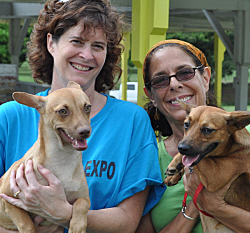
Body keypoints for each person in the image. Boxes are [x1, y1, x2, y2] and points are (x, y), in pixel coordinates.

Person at [0, 0, 166, 232]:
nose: (86, 55)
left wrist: (63, 213)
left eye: (98, 46)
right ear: (51, 43)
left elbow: (129, 222)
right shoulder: (8, 117)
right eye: (77, 41)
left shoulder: (132, 121)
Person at [136, 39, 250, 233]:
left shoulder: (242, 145)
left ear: (205, 78)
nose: (174, 84)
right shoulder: (146, 156)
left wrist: (216, 207)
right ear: (151, 95)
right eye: (160, 80)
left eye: (185, 73)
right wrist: (195, 206)